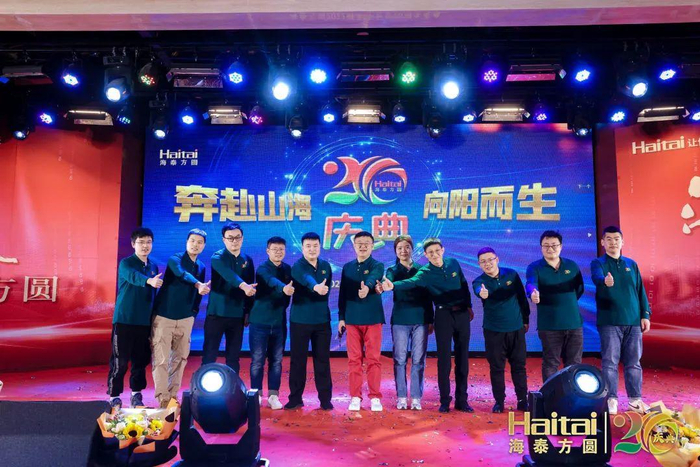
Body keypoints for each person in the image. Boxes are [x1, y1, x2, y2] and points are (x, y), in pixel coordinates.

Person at [383, 238, 474, 413]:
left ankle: (462, 400)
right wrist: (392, 285)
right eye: (430, 252)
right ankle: (445, 401)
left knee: (462, 358)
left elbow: (463, 284)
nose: (434, 254)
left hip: (462, 314)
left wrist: (469, 305)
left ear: (443, 250)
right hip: (442, 315)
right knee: (444, 360)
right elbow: (411, 282)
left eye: (437, 251)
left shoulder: (453, 263)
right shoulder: (424, 272)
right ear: (425, 254)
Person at [591, 226, 651, 415]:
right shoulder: (598, 263)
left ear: (622, 242)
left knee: (633, 362)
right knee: (610, 361)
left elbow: (640, 290)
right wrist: (605, 281)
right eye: (608, 239)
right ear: (602, 242)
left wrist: (645, 314)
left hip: (633, 321)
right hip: (610, 320)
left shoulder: (631, 264)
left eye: (616, 239)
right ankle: (611, 399)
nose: (613, 242)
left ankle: (635, 400)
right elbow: (597, 278)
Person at [151, 228, 210, 408]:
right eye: (192, 241)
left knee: (180, 359)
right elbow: (181, 273)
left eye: (199, 242)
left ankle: (172, 397)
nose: (195, 245)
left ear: (204, 246)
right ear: (186, 242)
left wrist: (193, 313)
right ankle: (162, 399)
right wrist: (198, 284)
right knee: (161, 359)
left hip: (186, 319)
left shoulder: (201, 266)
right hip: (165, 316)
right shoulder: (175, 259)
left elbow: (198, 295)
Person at [108, 227, 162, 409]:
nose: (145, 246)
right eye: (141, 242)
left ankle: (136, 395)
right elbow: (134, 277)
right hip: (124, 320)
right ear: (133, 244)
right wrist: (149, 281)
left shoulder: (153, 267)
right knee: (120, 361)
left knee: (140, 360)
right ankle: (114, 396)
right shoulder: (126, 263)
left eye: (148, 242)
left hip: (144, 322)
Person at [472, 247, 529, 413]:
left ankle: (522, 400)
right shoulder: (479, 281)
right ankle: (499, 401)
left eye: (490, 260)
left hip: (516, 328)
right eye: (483, 262)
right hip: (493, 331)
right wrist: (481, 293)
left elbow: (521, 298)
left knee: (519, 366)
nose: (487, 264)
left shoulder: (511, 275)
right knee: (497, 367)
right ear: (479, 264)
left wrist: (525, 320)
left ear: (497, 259)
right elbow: (478, 290)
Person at [525, 230, 585, 382]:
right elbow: (531, 283)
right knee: (551, 363)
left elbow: (579, 289)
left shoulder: (571, 266)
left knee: (574, 363)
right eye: (546, 246)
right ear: (541, 247)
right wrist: (533, 293)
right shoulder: (535, 267)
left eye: (554, 245)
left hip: (574, 324)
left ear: (561, 246)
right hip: (550, 325)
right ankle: (552, 394)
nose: (550, 249)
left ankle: (573, 394)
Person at [285, 232, 334, 411]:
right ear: (302, 248)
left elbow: (326, 290)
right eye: (308, 246)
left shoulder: (326, 266)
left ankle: (325, 399)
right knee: (298, 361)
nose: (312, 249)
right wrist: (315, 287)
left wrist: (321, 289)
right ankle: (295, 398)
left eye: (315, 246)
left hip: (322, 321)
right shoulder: (297, 266)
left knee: (323, 361)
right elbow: (306, 279)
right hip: (300, 321)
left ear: (320, 247)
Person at [384, 235, 433, 411]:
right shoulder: (392, 270)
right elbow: (387, 282)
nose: (403, 251)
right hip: (400, 320)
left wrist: (430, 319)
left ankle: (417, 397)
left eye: (407, 247)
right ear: (395, 251)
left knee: (419, 359)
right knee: (400, 360)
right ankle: (402, 397)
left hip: (420, 319)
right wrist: (385, 284)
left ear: (412, 249)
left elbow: (428, 298)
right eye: (399, 248)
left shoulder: (422, 270)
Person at [338, 231, 385, 412]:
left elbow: (374, 277)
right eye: (359, 243)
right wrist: (341, 318)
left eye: (367, 243)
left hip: (373, 318)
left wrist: (367, 287)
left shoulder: (378, 265)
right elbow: (342, 294)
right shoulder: (347, 267)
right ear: (354, 246)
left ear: (372, 246)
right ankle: (355, 396)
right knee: (354, 360)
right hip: (352, 319)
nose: (363, 246)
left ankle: (375, 397)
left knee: (373, 359)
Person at [201, 222, 256, 372]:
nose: (234, 241)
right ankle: (202, 385)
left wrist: (248, 311)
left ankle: (233, 385)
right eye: (230, 238)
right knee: (209, 354)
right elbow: (229, 275)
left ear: (242, 238)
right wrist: (243, 286)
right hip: (217, 314)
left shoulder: (247, 259)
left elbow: (251, 287)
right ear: (224, 239)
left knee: (233, 356)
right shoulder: (217, 257)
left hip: (237, 315)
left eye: (237, 237)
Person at [248, 236, 294, 410]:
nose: (278, 252)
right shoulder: (262, 269)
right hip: (260, 322)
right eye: (275, 249)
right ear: (268, 251)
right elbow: (271, 281)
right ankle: (257, 394)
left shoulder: (288, 269)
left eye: (281, 249)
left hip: (279, 322)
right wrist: (284, 288)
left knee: (276, 361)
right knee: (257, 361)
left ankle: (273, 396)